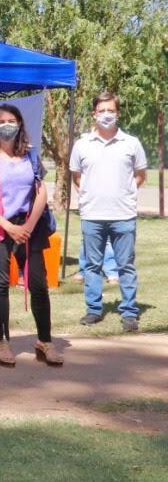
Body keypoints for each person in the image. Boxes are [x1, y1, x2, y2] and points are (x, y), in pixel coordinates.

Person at [0, 104, 61, 367]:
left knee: (39, 285)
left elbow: (42, 192)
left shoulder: (30, 156)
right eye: (2, 121)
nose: (7, 125)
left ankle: (45, 341)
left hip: (29, 227)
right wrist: (9, 228)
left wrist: (29, 226)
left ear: (21, 123)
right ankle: (4, 341)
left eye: (12, 120)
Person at [70, 92, 147, 332]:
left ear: (118, 113)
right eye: (101, 110)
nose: (106, 115)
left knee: (126, 265)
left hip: (123, 215)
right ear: (94, 114)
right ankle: (93, 310)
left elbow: (140, 174)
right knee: (92, 265)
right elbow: (77, 176)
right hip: (92, 216)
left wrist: (125, 193)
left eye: (110, 110)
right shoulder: (82, 144)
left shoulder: (131, 143)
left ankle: (129, 312)